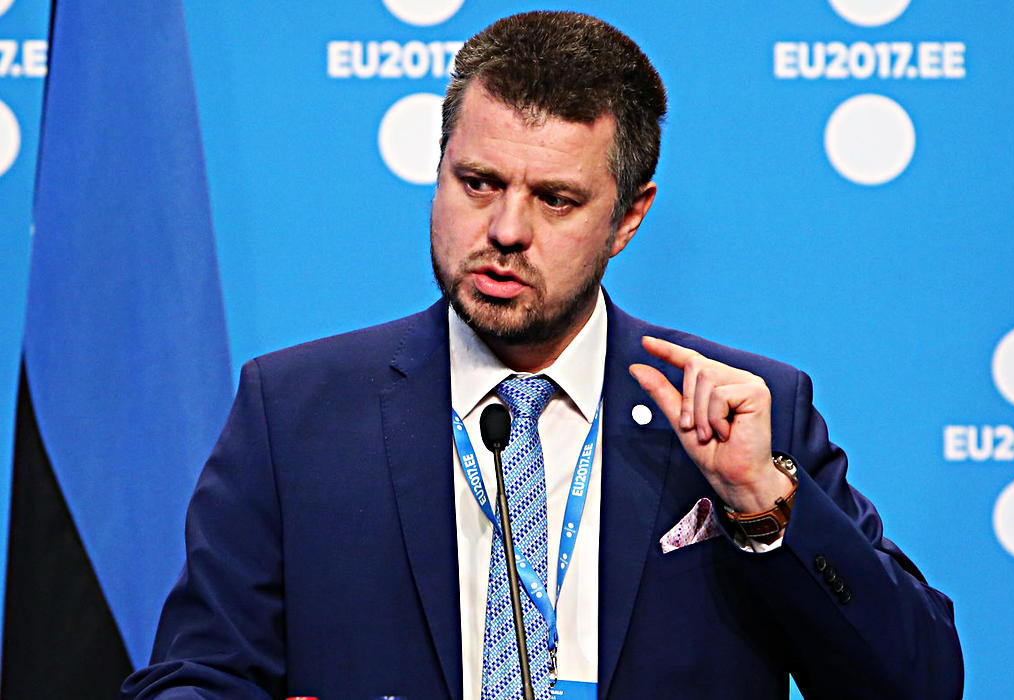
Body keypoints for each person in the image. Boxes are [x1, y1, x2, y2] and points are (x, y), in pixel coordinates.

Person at [122, 10, 963, 700]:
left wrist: (761, 501)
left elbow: (916, 682)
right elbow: (194, 677)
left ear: (627, 218)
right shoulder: (296, 411)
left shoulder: (745, 415)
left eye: (555, 199)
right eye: (478, 183)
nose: (505, 230)